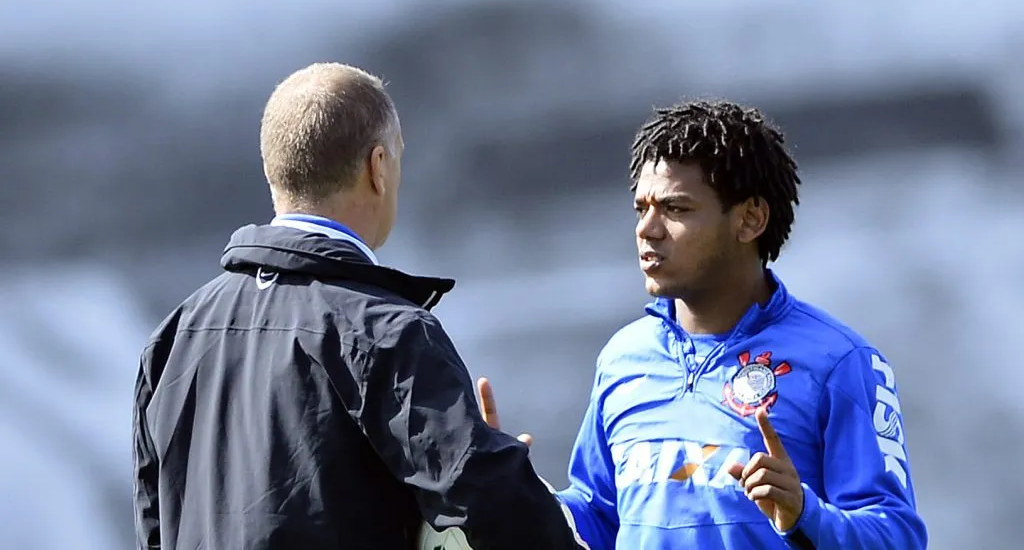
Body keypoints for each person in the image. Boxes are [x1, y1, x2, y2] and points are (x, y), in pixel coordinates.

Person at [131, 62, 586, 550]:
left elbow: (153, 528)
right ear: (378, 167)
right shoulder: (388, 333)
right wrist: (498, 475)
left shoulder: (172, 338)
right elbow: (492, 507)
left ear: (270, 171)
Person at [480, 100, 928, 549]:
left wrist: (804, 514)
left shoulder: (839, 362)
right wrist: (521, 497)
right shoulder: (624, 357)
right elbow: (598, 517)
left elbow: (897, 537)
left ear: (750, 219)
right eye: (641, 209)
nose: (648, 229)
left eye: (675, 209)